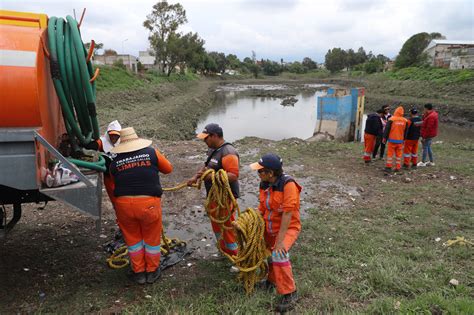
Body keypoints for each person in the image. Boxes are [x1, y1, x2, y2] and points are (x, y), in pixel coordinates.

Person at [109, 127, 173, 284]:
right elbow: (168, 169)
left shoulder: (114, 160)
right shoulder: (151, 153)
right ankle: (151, 271)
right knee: (151, 238)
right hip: (148, 203)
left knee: (133, 239)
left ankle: (139, 273)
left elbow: (113, 178)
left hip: (123, 205)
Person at [250, 153, 301, 313]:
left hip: (287, 228)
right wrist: (252, 220)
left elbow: (287, 214)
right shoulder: (264, 184)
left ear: (270, 173)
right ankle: (271, 282)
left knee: (278, 254)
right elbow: (263, 208)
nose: (258, 174)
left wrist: (280, 241)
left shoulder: (288, 185)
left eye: (260, 171)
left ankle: (290, 293)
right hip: (269, 227)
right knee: (267, 254)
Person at [187, 123, 239, 257]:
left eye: (206, 138)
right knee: (216, 225)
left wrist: (212, 176)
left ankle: (235, 255)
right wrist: (196, 177)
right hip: (213, 195)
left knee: (227, 226)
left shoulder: (228, 152)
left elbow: (233, 176)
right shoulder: (212, 150)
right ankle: (223, 251)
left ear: (215, 136)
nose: (204, 141)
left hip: (225, 197)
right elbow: (206, 166)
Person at [85, 120, 121, 202]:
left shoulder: (122, 142)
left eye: (116, 136)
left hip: (121, 173)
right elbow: (93, 145)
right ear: (108, 134)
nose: (114, 138)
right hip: (109, 176)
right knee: (114, 197)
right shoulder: (103, 141)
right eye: (112, 135)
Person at [383, 106, 408, 172]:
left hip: (391, 140)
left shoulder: (391, 119)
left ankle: (388, 167)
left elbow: (387, 130)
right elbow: (406, 131)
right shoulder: (405, 121)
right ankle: (398, 167)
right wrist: (404, 139)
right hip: (400, 141)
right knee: (399, 155)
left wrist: (384, 138)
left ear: (396, 111)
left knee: (390, 154)